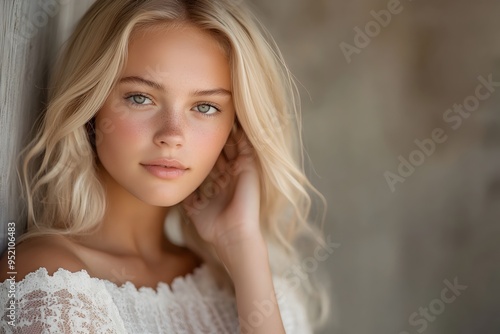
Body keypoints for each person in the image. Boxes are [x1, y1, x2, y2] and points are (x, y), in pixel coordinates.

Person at [0, 0, 329, 332]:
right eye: (140, 98)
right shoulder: (51, 283)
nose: (172, 136)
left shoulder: (259, 287)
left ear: (234, 132)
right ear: (89, 105)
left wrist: (242, 242)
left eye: (205, 106)